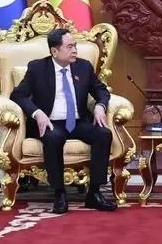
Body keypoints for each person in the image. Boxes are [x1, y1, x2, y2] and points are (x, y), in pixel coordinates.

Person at [11, 28, 117, 214]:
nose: (75, 50)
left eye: (75, 45)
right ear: (54, 51)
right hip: (49, 122)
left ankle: (94, 192)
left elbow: (101, 90)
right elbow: (18, 95)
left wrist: (100, 105)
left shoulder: (83, 67)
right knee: (54, 138)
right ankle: (59, 193)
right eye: (69, 47)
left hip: (77, 121)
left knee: (103, 134)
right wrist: (37, 113)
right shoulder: (37, 68)